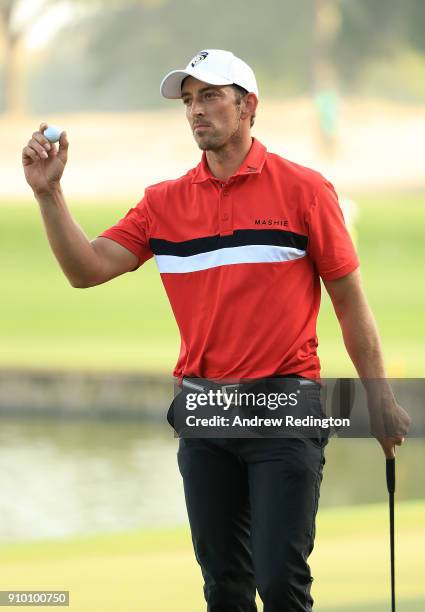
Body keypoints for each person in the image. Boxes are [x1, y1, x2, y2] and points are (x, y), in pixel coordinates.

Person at [22, 49, 410, 612]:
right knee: (225, 589)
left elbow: (350, 303)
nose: (195, 111)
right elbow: (86, 270)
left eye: (209, 96)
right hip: (204, 412)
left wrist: (379, 398)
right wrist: (48, 193)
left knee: (280, 583)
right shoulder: (163, 203)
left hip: (285, 408)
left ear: (248, 105)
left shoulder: (305, 190)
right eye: (187, 101)